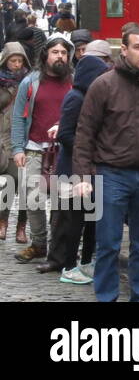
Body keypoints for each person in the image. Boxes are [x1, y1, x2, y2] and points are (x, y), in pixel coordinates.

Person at [72, 27, 139, 302]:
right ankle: (107, 297)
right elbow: (85, 132)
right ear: (124, 49)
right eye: (138, 47)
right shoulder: (103, 85)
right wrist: (83, 175)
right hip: (111, 173)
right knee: (108, 243)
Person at [45, 40, 113, 284]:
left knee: (92, 218)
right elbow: (65, 134)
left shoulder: (91, 97)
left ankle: (86, 262)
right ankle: (70, 264)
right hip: (73, 168)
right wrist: (89, 148)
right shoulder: (75, 97)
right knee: (76, 219)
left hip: (90, 167)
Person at [10, 36, 74, 263]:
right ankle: (38, 243)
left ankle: (60, 247)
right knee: (33, 197)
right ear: (46, 55)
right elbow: (18, 117)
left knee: (63, 200)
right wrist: (18, 148)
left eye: (64, 53)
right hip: (35, 148)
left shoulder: (74, 82)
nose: (60, 56)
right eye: (55, 52)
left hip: (65, 150)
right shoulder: (31, 82)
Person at [0, 42, 31, 242]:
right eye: (13, 60)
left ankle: (21, 226)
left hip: (22, 137)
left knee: (24, 184)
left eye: (20, 60)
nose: (17, 64)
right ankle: (3, 222)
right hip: (3, 136)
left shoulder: (30, 81)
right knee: (11, 182)